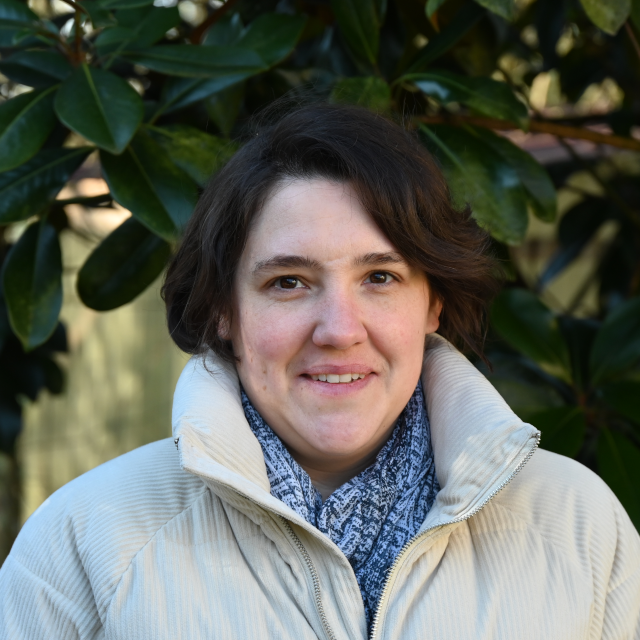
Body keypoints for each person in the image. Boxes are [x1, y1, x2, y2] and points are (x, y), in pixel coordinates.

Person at [1, 104, 639, 639]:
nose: (338, 329)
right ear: (224, 311)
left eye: (380, 277)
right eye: (288, 282)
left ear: (433, 304)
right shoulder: (85, 542)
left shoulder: (576, 524)